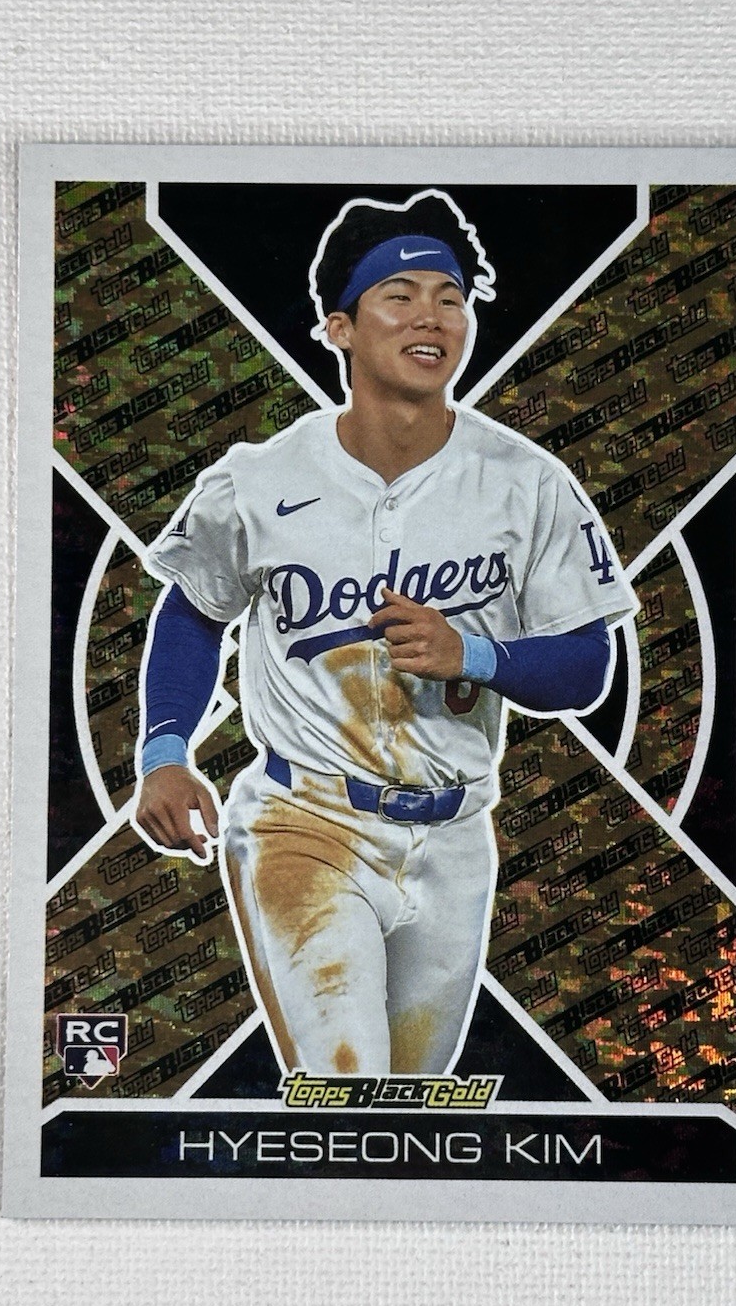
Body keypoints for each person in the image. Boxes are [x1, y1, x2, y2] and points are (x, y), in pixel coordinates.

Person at [131, 190, 637, 1075]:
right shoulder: (259, 479)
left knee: (410, 1110)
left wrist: (474, 654)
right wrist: (165, 751)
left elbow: (588, 666)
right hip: (305, 821)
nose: (430, 316)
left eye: (450, 297)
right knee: (348, 1086)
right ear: (339, 328)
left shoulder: (527, 481)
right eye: (399, 296)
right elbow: (193, 613)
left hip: (457, 834)